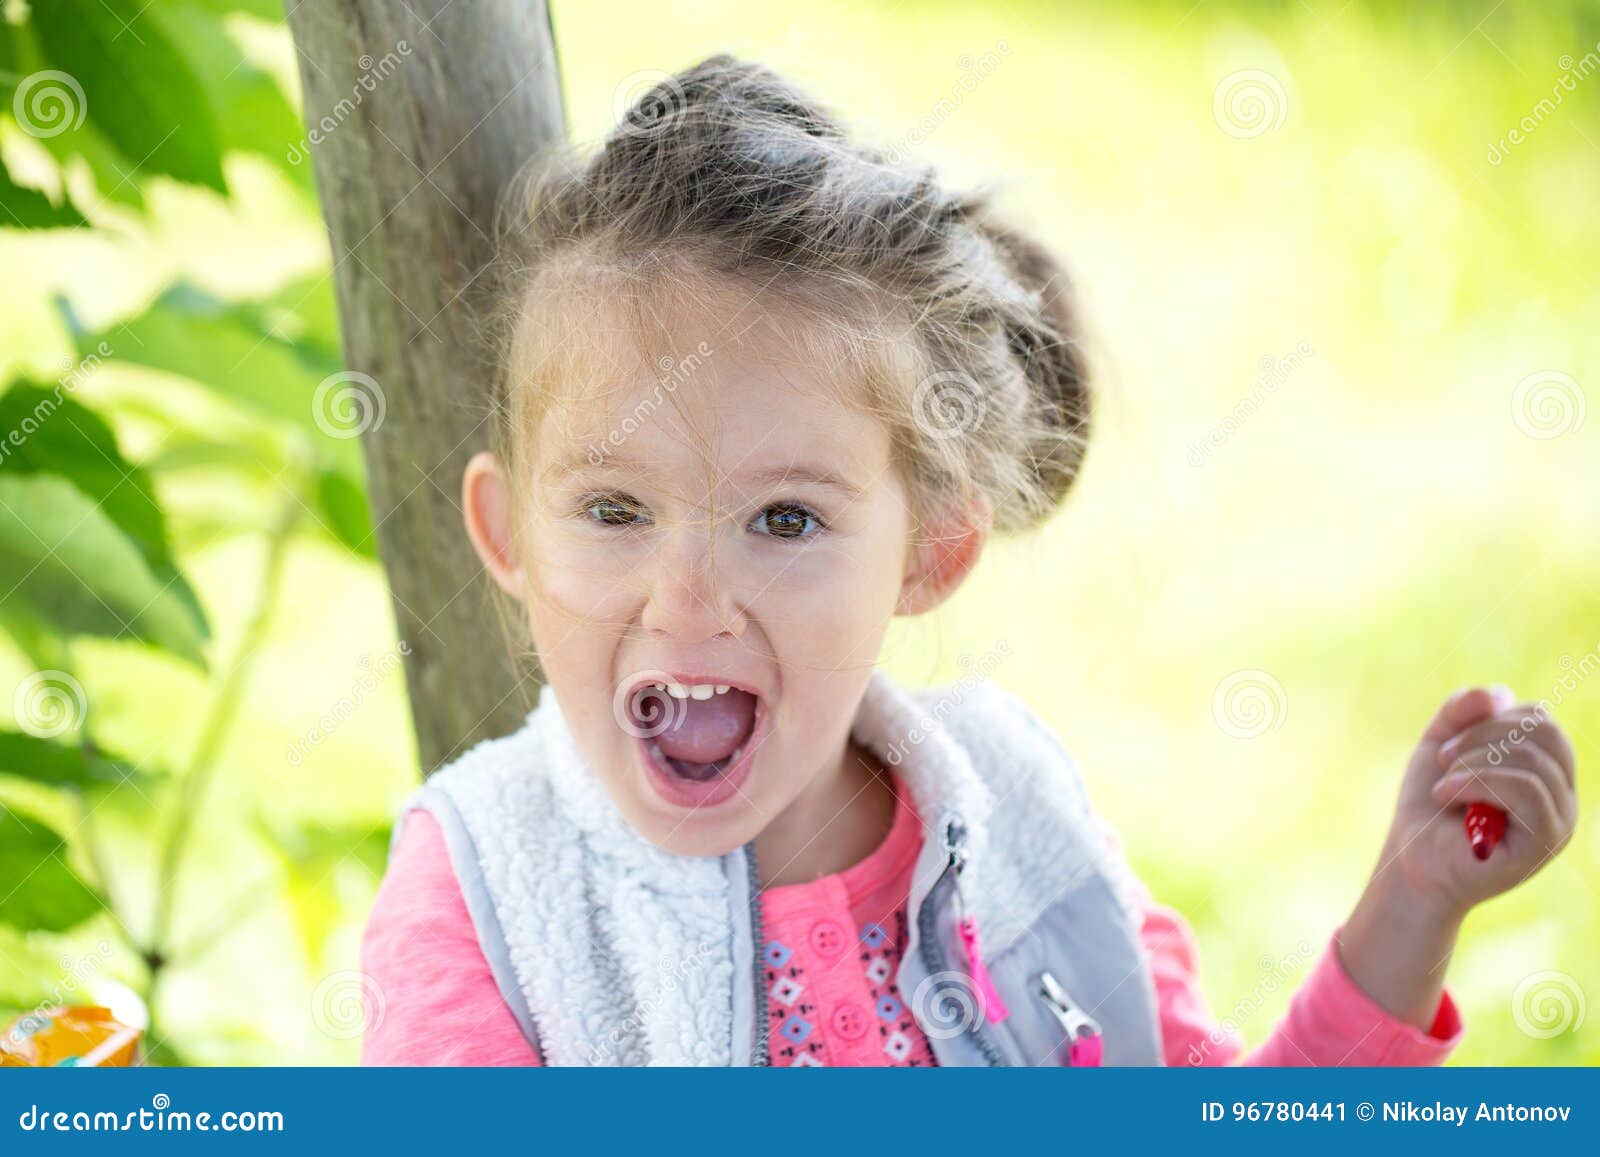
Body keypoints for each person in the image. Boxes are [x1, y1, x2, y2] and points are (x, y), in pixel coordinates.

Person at [359, 55, 1578, 1066]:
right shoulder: (483, 893)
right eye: (615, 509)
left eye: (783, 520)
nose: (688, 601)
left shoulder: (1016, 815)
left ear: (931, 550)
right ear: (510, 533)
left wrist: (1413, 901)